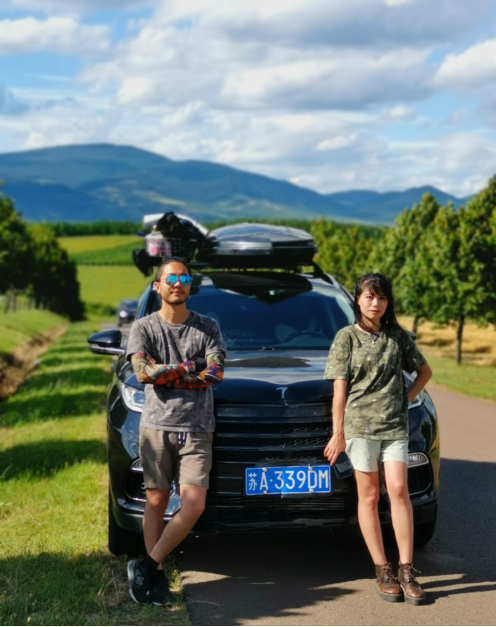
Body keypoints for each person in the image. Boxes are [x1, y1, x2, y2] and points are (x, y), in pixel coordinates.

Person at [323, 273, 432, 605]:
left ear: (388, 302)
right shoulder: (346, 338)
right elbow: (339, 391)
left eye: (382, 297)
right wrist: (338, 433)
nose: (376, 303)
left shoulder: (397, 336)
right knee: (369, 496)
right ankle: (382, 569)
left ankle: (407, 570)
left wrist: (405, 399)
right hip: (359, 429)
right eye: (369, 296)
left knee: (398, 490)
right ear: (358, 299)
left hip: (395, 427)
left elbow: (424, 372)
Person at [125, 256, 226, 606]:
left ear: (190, 285)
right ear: (158, 286)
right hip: (156, 425)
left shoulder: (207, 327)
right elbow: (143, 374)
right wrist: (189, 366)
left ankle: (146, 565)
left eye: (184, 278)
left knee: (193, 504)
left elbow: (214, 374)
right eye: (170, 278)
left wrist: (166, 373)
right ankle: (156, 578)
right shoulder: (144, 327)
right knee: (155, 501)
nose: (178, 283)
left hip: (198, 427)